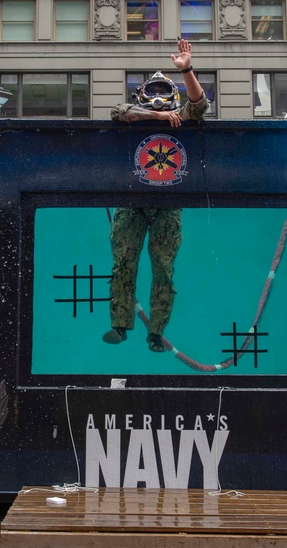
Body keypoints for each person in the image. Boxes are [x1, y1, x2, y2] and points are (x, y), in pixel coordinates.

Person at [105, 39, 210, 352]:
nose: (159, 98)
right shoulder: (134, 113)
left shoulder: (186, 116)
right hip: (132, 201)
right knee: (123, 262)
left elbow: (200, 104)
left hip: (168, 203)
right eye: (153, 91)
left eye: (165, 92)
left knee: (163, 268)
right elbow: (118, 111)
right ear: (142, 95)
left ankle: (156, 332)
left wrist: (187, 68)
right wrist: (158, 118)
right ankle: (120, 325)